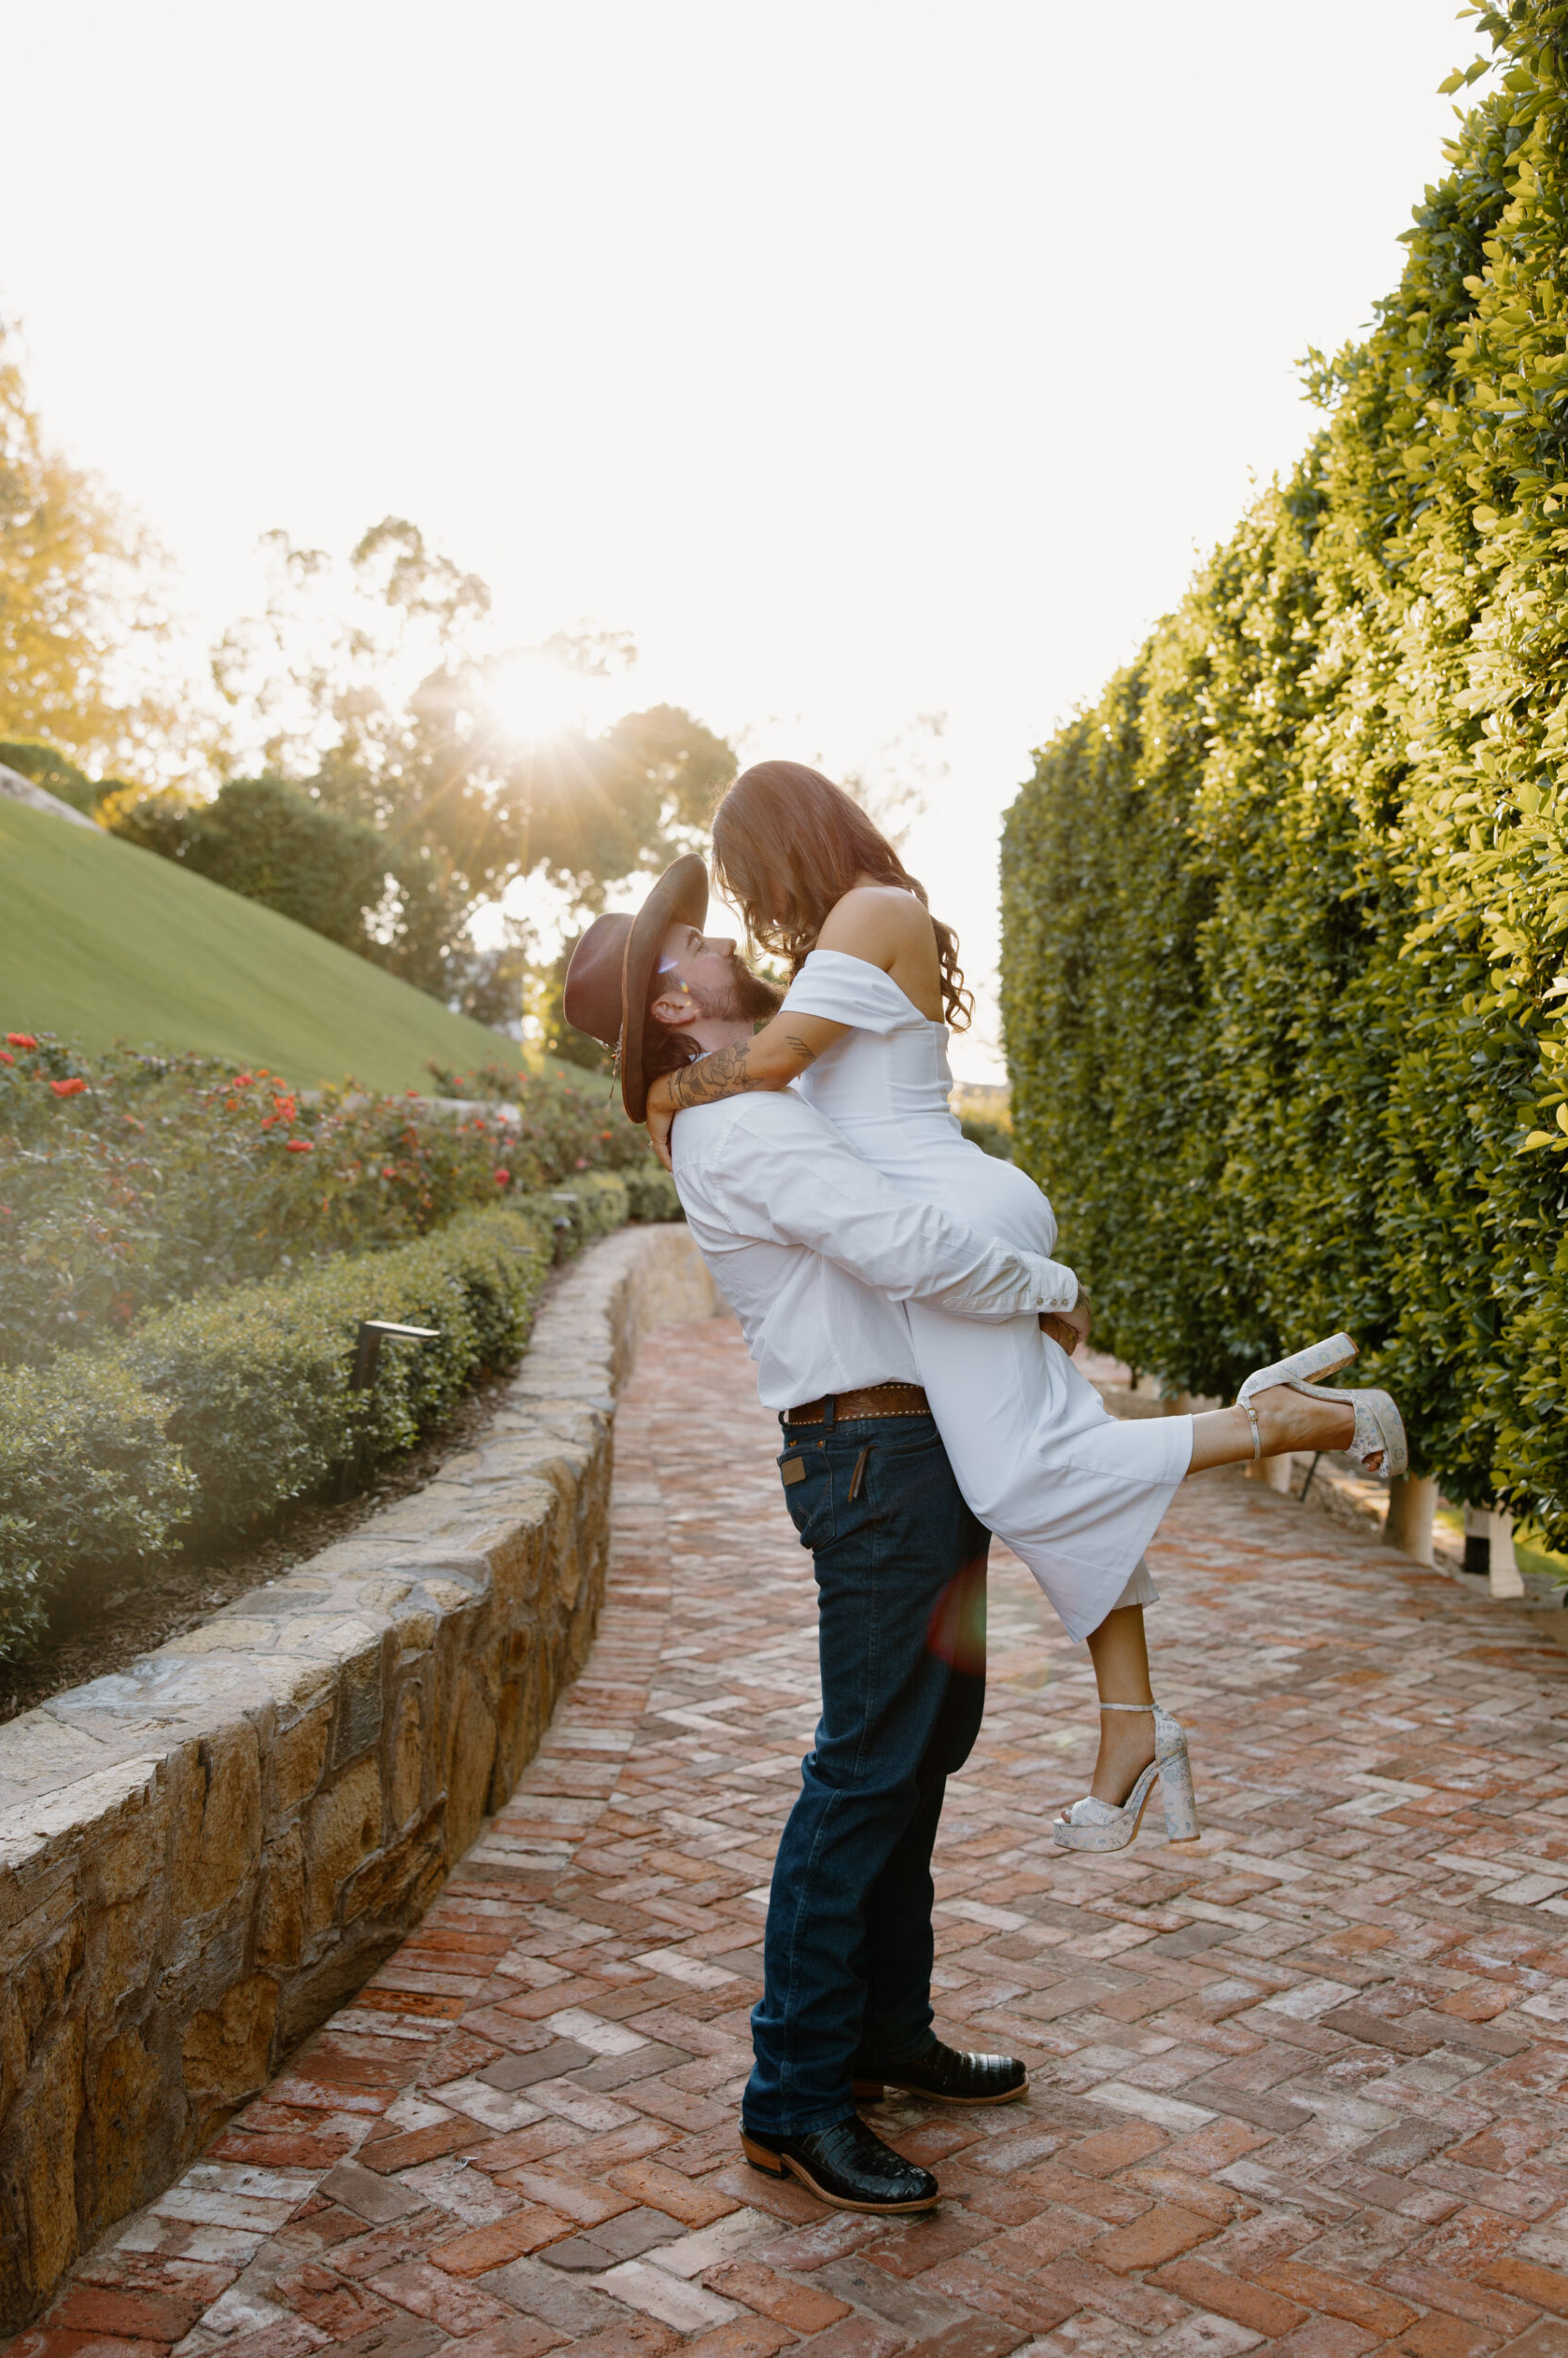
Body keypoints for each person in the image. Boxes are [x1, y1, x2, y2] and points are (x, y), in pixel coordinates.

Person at [643, 760, 1407, 1857]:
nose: (753, 912)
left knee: (1019, 1471)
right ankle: (1131, 1729)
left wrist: (665, 1090)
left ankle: (1287, 1421)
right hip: (953, 1215)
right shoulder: (848, 932)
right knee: (1053, 1461)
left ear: (788, 846)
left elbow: (768, 1063)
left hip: (954, 1213)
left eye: (751, 879)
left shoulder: (871, 911)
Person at [562, 855, 1090, 2218]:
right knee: (863, 1768)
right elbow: (900, 1244)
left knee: (918, 1750)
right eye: (690, 938)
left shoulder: (757, 1096)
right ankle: (791, 2097)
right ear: (675, 1007)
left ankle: (883, 2034)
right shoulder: (739, 1125)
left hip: (909, 1447)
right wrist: (1047, 1288)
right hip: (874, 1457)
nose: (719, 938)